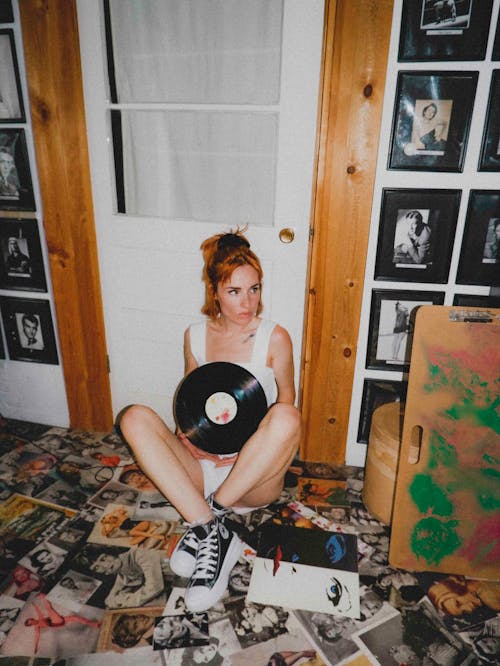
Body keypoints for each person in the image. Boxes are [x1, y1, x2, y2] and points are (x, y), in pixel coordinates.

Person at [118, 229, 301, 613]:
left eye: (254, 289)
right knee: (134, 417)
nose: (247, 302)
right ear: (214, 290)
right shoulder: (195, 336)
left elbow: (285, 405)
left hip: (252, 478)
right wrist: (188, 438)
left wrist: (245, 454)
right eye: (234, 291)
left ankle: (209, 517)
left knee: (287, 416)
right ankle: (210, 528)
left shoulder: (275, 337)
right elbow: (193, 405)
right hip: (202, 466)